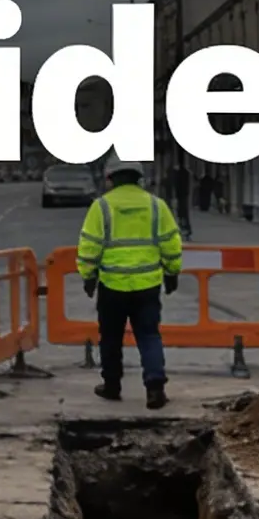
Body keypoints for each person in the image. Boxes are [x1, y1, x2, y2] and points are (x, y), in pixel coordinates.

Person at [76, 159, 184, 410]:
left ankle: (112, 385)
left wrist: (88, 276)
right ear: (139, 178)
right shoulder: (157, 206)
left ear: (110, 179)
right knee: (149, 335)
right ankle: (155, 388)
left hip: (112, 285)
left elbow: (89, 245)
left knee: (110, 337)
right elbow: (171, 243)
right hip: (147, 285)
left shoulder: (101, 207)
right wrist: (172, 272)